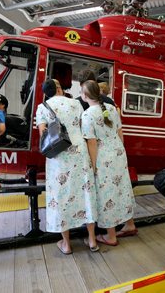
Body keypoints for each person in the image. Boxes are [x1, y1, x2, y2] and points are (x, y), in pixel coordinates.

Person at [36, 79, 98, 253]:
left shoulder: (42, 107)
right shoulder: (76, 103)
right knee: (86, 192)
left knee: (61, 195)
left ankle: (67, 244)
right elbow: (81, 126)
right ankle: (92, 240)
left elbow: (43, 134)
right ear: (59, 89)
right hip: (79, 150)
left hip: (58, 155)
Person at [80, 80, 137, 246]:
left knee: (107, 193)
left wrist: (93, 164)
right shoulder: (111, 108)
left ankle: (111, 236)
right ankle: (129, 224)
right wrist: (121, 151)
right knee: (123, 188)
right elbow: (120, 132)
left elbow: (92, 143)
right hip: (118, 152)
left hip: (103, 157)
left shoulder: (87, 114)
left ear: (84, 96)